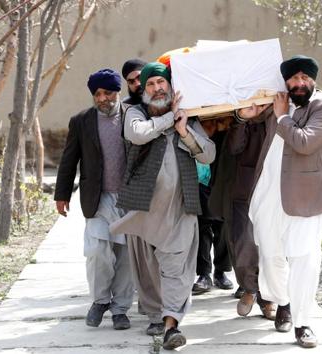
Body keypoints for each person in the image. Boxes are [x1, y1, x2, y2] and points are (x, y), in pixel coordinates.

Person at [110, 62, 215, 350]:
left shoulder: (188, 119)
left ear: (170, 86)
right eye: (151, 84)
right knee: (147, 269)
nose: (157, 88)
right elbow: (137, 134)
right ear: (143, 89)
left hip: (181, 209)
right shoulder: (135, 112)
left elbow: (208, 155)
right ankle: (156, 313)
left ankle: (171, 324)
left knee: (177, 269)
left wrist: (183, 131)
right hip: (142, 209)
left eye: (162, 83)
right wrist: (169, 118)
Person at [240, 55, 322, 348]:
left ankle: (303, 323)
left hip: (306, 194)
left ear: (313, 79)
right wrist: (244, 114)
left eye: (304, 78)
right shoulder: (279, 99)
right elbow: (249, 113)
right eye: (293, 79)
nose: (298, 83)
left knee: (304, 259)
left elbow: (305, 142)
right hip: (269, 191)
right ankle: (283, 301)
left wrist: (282, 116)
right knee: (270, 255)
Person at [54, 69, 134, 331]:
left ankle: (121, 309)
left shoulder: (133, 116)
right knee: (98, 253)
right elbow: (69, 159)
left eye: (107, 92)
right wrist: (62, 194)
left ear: (117, 91)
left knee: (126, 256)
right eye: (97, 94)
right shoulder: (81, 121)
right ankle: (100, 301)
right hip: (97, 198)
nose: (102, 98)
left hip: (130, 199)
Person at [222, 114, 277, 320]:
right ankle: (249, 288)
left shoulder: (280, 114)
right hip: (245, 189)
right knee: (244, 242)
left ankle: (268, 297)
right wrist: (242, 120)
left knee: (270, 245)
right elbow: (234, 147)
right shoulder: (242, 117)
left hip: (275, 190)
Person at [192, 135, 234, 295]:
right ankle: (204, 274)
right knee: (202, 225)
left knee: (223, 226)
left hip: (223, 169)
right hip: (199, 173)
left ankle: (221, 272)